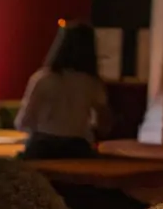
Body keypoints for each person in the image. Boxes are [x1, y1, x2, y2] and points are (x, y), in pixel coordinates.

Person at [16, 22, 109, 160]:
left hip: (42, 148)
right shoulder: (93, 83)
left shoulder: (42, 78)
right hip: (77, 150)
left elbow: (23, 121)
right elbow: (104, 124)